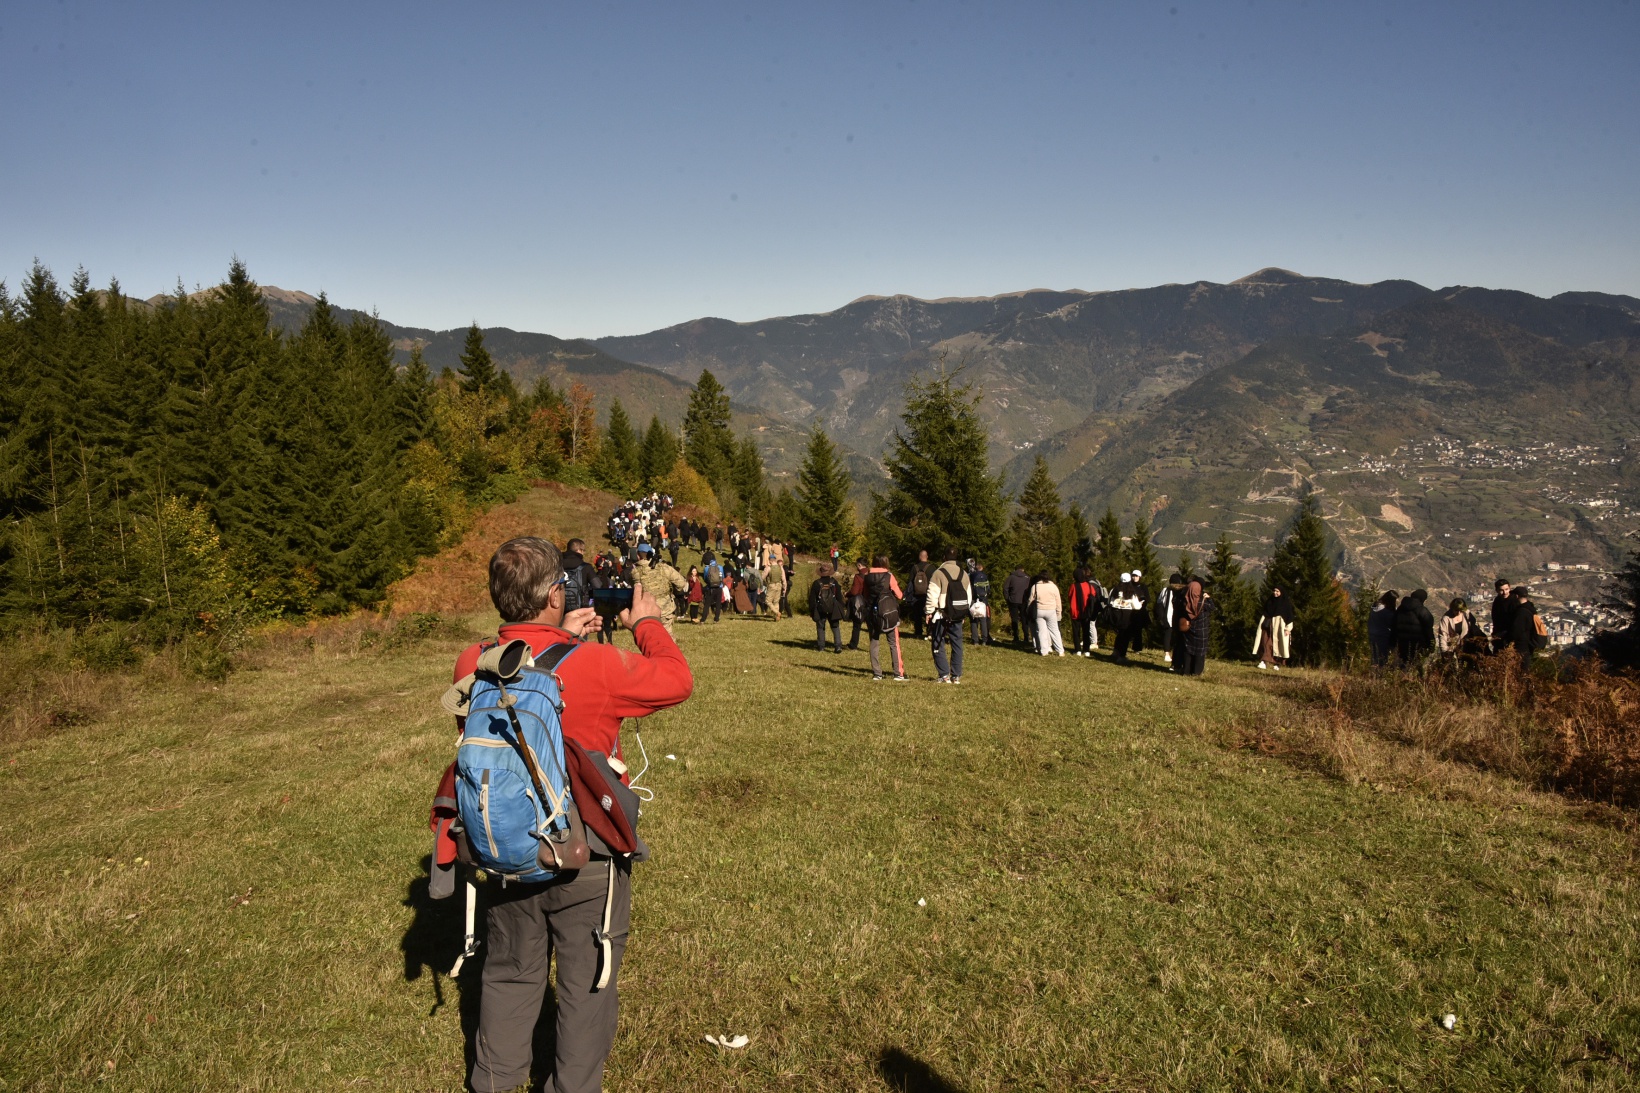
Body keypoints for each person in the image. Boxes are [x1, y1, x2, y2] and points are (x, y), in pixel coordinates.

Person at [453, 537, 693, 1093]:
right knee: (588, 984)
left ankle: (492, 1082)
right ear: (556, 595)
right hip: (584, 852)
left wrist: (560, 638)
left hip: (504, 847)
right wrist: (646, 623)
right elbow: (677, 680)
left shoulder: (473, 663)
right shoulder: (599, 664)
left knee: (509, 973)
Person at [924, 549, 971, 683]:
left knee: (938, 642)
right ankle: (956, 676)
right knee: (957, 644)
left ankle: (944, 675)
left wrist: (929, 611)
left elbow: (932, 594)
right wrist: (963, 612)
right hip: (958, 613)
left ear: (944, 557)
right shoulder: (964, 573)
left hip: (941, 614)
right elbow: (968, 596)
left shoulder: (938, 573)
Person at [865, 555, 907, 681]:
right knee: (893, 643)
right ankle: (898, 673)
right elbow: (899, 595)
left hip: (872, 613)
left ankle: (877, 673)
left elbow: (865, 594)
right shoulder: (889, 576)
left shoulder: (867, 576)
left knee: (874, 643)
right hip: (888, 612)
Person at [633, 542, 688, 634]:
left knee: (651, 638)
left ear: (638, 556)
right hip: (665, 611)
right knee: (668, 638)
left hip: (647, 612)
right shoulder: (664, 568)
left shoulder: (635, 572)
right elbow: (681, 583)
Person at [1172, 576, 1213, 676]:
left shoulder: (1184, 602)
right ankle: (1196, 672)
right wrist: (1209, 598)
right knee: (1200, 652)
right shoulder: (1204, 602)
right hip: (1201, 630)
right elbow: (1212, 608)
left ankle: (1186, 670)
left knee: (1188, 650)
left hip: (1189, 629)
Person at [1394, 588, 1436, 669]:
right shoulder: (1422, 610)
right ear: (1422, 599)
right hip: (1418, 644)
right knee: (1417, 667)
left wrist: (1393, 641)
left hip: (1401, 643)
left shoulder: (1400, 608)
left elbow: (1394, 625)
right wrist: (1431, 644)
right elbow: (1428, 628)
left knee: (1403, 665)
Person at [810, 563, 846, 653]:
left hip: (820, 608)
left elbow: (812, 599)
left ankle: (821, 646)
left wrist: (812, 610)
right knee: (835, 626)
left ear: (820, 573)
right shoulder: (834, 582)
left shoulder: (816, 583)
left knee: (820, 627)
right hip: (833, 607)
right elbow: (839, 597)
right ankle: (838, 646)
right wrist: (841, 607)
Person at [1255, 586, 1294, 670]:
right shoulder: (1270, 601)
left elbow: (1289, 617)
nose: (1275, 593)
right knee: (1265, 643)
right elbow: (1265, 612)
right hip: (1268, 626)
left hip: (1279, 627)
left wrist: (1288, 629)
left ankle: (1277, 664)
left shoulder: (1285, 603)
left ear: (1281, 592)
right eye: (1274, 591)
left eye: (1277, 591)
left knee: (1279, 645)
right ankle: (1263, 661)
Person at [1507, 586, 1548, 664]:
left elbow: (1516, 631)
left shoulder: (1521, 612)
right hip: (1528, 646)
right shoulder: (1531, 609)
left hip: (1522, 647)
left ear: (1516, 596)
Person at [1028, 571, 1065, 656]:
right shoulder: (1053, 586)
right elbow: (1058, 600)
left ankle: (1044, 651)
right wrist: (1059, 612)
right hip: (1051, 610)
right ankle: (1060, 651)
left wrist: (1028, 610)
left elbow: (1030, 600)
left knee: (1041, 631)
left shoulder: (1035, 586)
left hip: (1039, 610)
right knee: (1054, 631)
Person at [1068, 568, 1100, 657]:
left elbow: (1069, 596)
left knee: (1076, 632)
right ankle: (1086, 650)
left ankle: (1077, 649)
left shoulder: (1073, 586)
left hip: (1075, 612)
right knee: (1086, 631)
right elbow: (1094, 595)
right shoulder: (1089, 585)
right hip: (1086, 612)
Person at [561, 538, 597, 614]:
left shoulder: (556, 565)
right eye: (583, 550)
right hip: (581, 611)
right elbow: (598, 586)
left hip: (560, 610)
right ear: (579, 550)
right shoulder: (586, 567)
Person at [1155, 573, 1185, 664]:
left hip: (1167, 616)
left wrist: (1160, 616)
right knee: (1173, 636)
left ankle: (1167, 653)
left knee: (1167, 635)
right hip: (1174, 616)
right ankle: (1170, 654)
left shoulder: (1165, 590)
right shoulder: (1181, 591)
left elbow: (1159, 602)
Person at [1367, 590, 1399, 668]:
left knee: (1374, 658)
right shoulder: (1386, 612)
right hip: (1382, 636)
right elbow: (1392, 623)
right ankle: (1380, 673)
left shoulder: (1374, 606)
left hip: (1372, 635)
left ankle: (1373, 673)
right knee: (1382, 659)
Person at [907, 550, 933, 640]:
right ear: (927, 557)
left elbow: (910, 582)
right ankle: (930, 632)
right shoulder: (931, 568)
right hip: (928, 595)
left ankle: (918, 632)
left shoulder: (914, 568)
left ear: (919, 557)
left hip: (916, 595)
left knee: (917, 615)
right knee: (929, 613)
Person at [845, 558, 870, 650]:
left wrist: (847, 594)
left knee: (857, 625)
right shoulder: (871, 574)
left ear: (859, 565)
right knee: (871, 626)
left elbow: (854, 591)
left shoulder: (858, 577)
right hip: (870, 602)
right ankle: (874, 646)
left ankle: (853, 644)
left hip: (860, 604)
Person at [1003, 566, 1031, 647]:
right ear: (1023, 570)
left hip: (1013, 600)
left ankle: (1016, 636)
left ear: (1015, 570)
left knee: (1014, 619)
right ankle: (1026, 637)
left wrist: (1007, 598)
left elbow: (1005, 588)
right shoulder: (1027, 578)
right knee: (1024, 619)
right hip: (1024, 601)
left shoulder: (1011, 577)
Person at [967, 559, 992, 646]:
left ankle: (975, 640)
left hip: (973, 599)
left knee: (973, 619)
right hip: (983, 600)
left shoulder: (972, 575)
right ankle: (984, 639)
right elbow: (988, 589)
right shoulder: (985, 576)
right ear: (982, 568)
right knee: (983, 620)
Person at [1490, 578, 1516, 654]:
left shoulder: (1514, 601)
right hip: (1499, 636)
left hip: (1511, 636)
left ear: (1509, 588)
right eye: (1501, 590)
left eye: (1506, 589)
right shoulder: (1497, 601)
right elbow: (1495, 618)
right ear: (1497, 590)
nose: (1505, 592)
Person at [761, 553, 786, 623]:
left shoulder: (769, 568)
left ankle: (777, 613)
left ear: (770, 560)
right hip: (779, 585)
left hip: (772, 585)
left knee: (768, 601)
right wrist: (784, 587)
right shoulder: (780, 568)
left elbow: (762, 577)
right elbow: (783, 578)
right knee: (776, 601)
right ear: (775, 560)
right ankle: (776, 617)